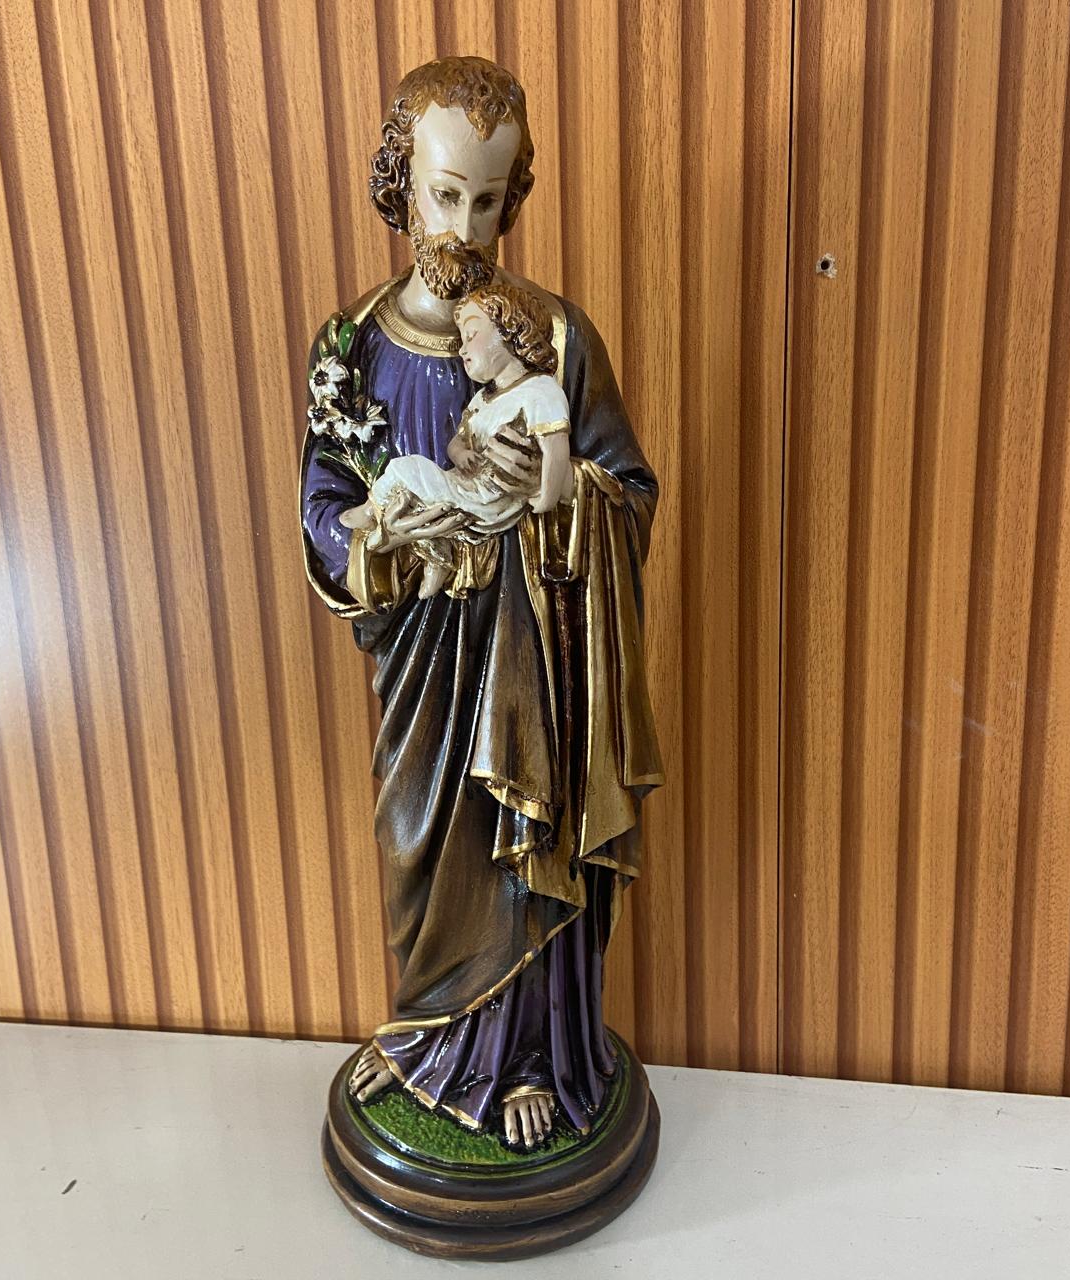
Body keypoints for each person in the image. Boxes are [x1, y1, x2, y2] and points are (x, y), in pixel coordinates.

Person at [300, 55, 662, 1151]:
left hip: (531, 663)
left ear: (515, 197)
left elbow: (628, 489)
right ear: (399, 183)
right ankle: (426, 1040)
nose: (463, 226)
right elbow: (321, 507)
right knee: (420, 842)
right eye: (443, 193)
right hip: (419, 657)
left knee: (521, 849)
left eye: (489, 200)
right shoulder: (352, 346)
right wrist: (381, 542)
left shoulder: (556, 338)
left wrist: (561, 496)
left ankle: (527, 1062)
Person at [338, 283, 572, 599]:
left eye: (472, 335)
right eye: (461, 339)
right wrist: (461, 454)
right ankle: (437, 558)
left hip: (488, 498)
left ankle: (371, 510)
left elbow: (555, 447)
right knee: (418, 500)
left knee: (407, 469)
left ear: (512, 332)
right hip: (467, 485)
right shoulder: (483, 399)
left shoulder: (539, 392)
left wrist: (546, 495)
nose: (462, 349)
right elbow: (457, 442)